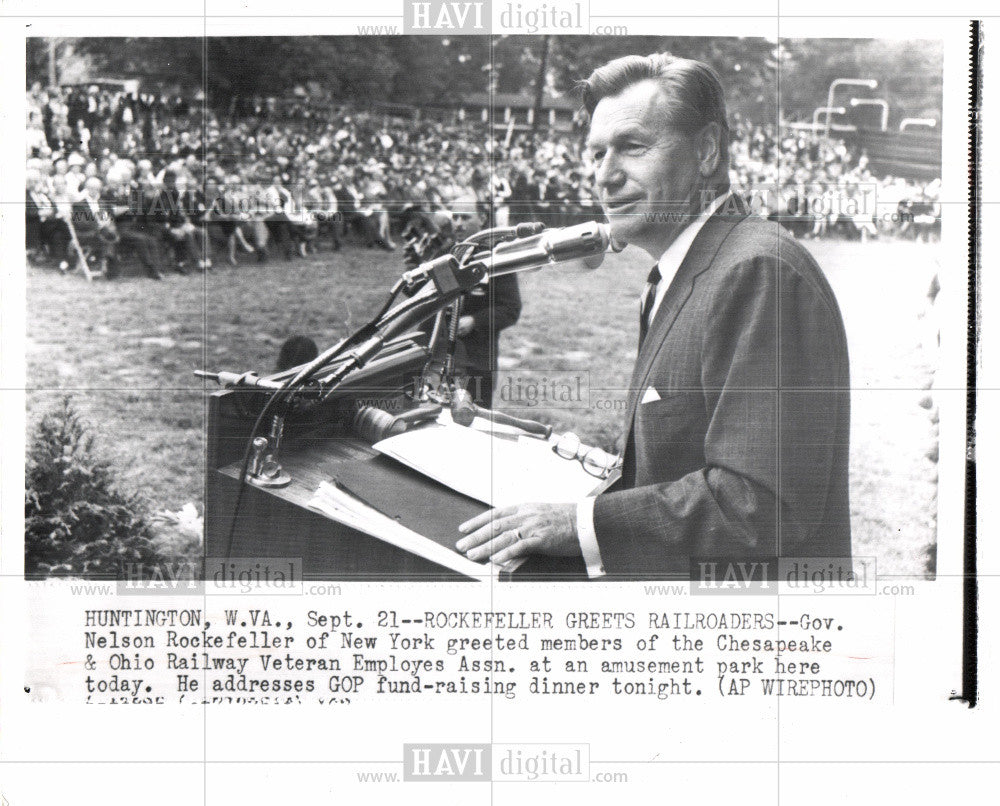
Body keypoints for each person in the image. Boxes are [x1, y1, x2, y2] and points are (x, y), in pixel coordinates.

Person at [456, 54, 851, 579]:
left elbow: (760, 504)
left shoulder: (758, 272)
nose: (605, 176)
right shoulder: (687, 268)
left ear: (706, 150)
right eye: (596, 154)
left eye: (632, 147)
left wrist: (581, 525)